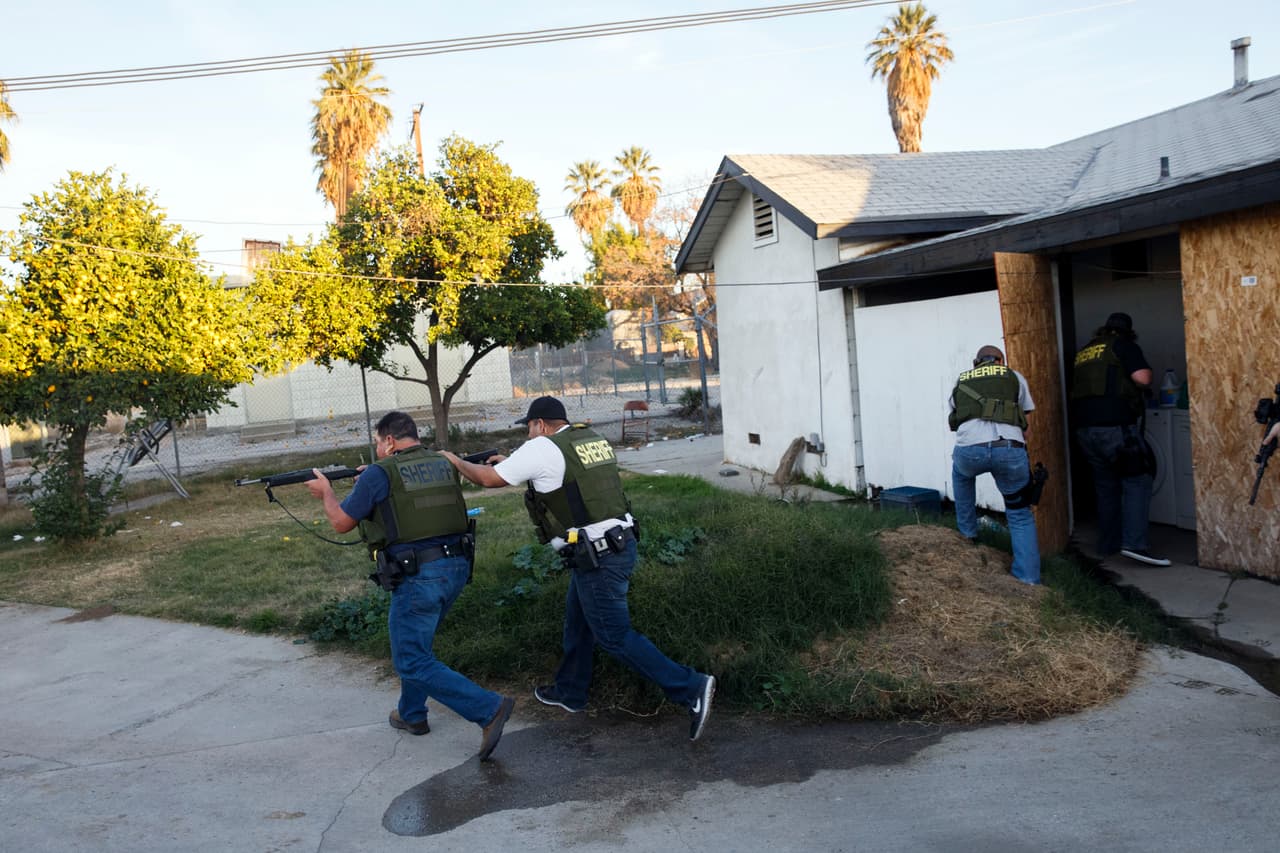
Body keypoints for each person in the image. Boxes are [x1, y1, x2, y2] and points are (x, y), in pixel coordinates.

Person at [441, 396, 716, 742]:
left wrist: (454, 460)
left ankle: (690, 687)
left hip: (599, 558)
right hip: (617, 545)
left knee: (615, 636)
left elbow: (489, 480)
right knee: (578, 619)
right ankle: (571, 691)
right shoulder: (589, 439)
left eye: (529, 427)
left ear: (540, 425)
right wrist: (512, 461)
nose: (528, 435)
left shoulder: (540, 448)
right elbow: (564, 477)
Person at [305, 411, 515, 761]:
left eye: (377, 442)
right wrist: (369, 481)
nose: (377, 449)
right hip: (457, 566)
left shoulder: (378, 473)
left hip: (420, 575)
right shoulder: (443, 462)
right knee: (418, 644)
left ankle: (488, 709)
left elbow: (342, 522)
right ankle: (412, 713)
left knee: (411, 659)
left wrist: (327, 492)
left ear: (388, 441)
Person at [1071, 312, 1171, 567]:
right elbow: (1143, 378)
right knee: (1139, 479)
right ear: (1128, 331)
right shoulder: (1124, 346)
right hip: (1115, 428)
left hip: (1085, 430)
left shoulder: (1084, 352)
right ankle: (1135, 544)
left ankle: (1108, 544)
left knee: (1106, 486)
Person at [948, 345, 1041, 585]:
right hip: (1009, 448)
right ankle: (1028, 578)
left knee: (960, 474)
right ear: (1001, 360)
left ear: (976, 362)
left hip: (970, 450)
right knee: (1020, 514)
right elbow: (1025, 420)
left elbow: (956, 417)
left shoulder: (961, 379)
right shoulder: (1013, 376)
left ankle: (968, 535)